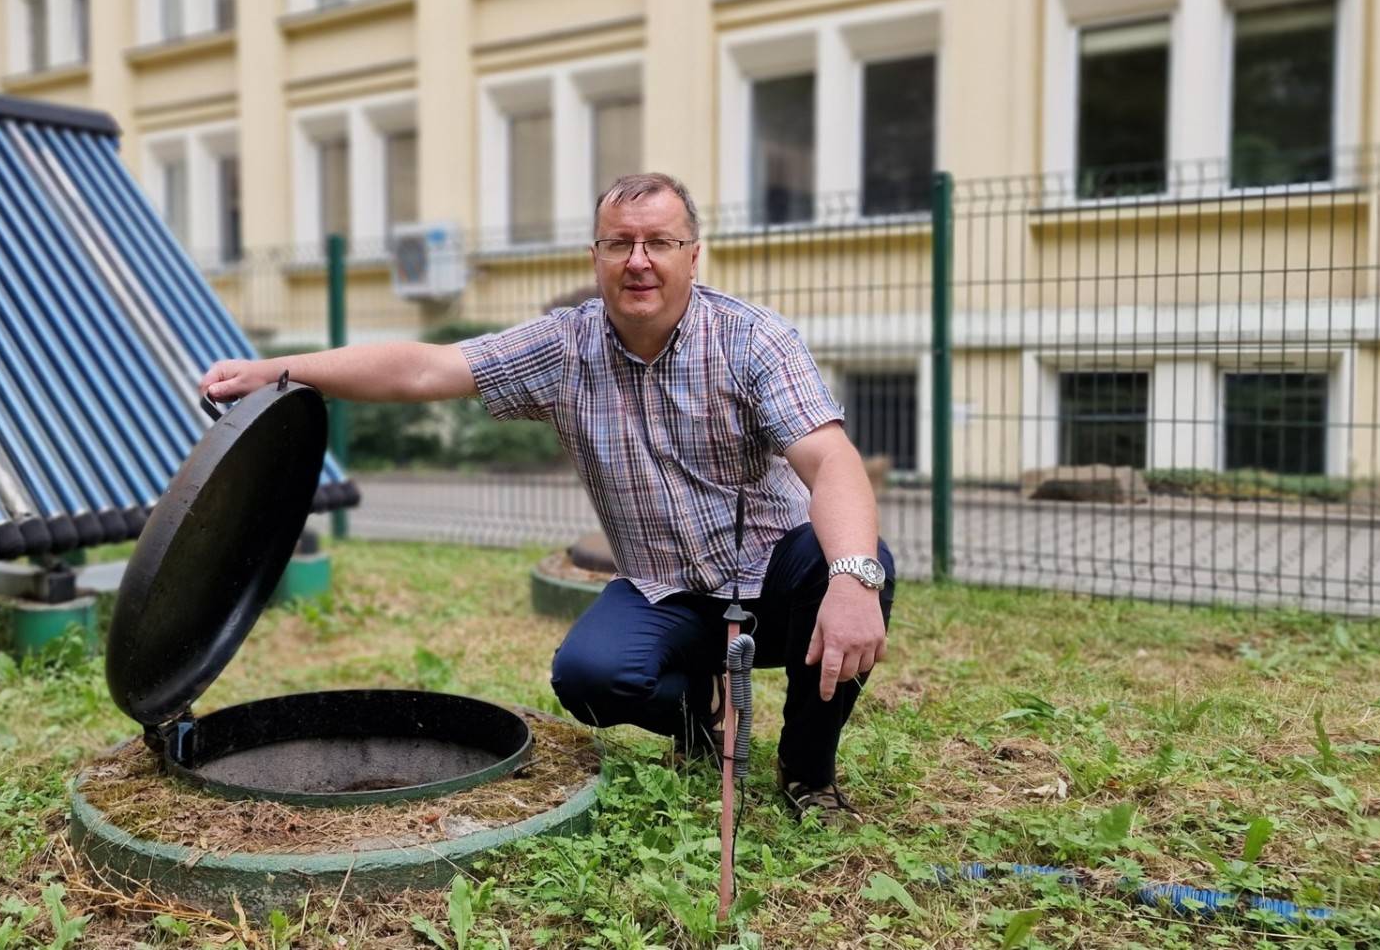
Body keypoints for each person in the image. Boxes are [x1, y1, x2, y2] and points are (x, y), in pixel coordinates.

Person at [200, 172, 893, 817]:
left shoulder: (752, 339)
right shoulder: (564, 348)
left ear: (693, 254)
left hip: (771, 575)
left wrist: (853, 578)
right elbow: (423, 368)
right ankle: (699, 714)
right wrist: (280, 371)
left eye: (660, 242)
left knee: (860, 564)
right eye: (620, 242)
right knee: (590, 677)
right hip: (665, 588)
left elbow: (831, 460)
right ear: (596, 257)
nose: (639, 260)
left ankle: (806, 768)